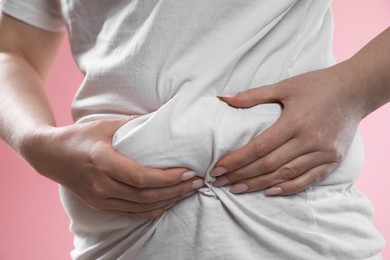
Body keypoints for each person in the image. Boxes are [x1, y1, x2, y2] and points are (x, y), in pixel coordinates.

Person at [0, 0, 388, 259]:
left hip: (297, 235)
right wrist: (37, 143)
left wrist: (351, 90)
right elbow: (11, 49)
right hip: (117, 243)